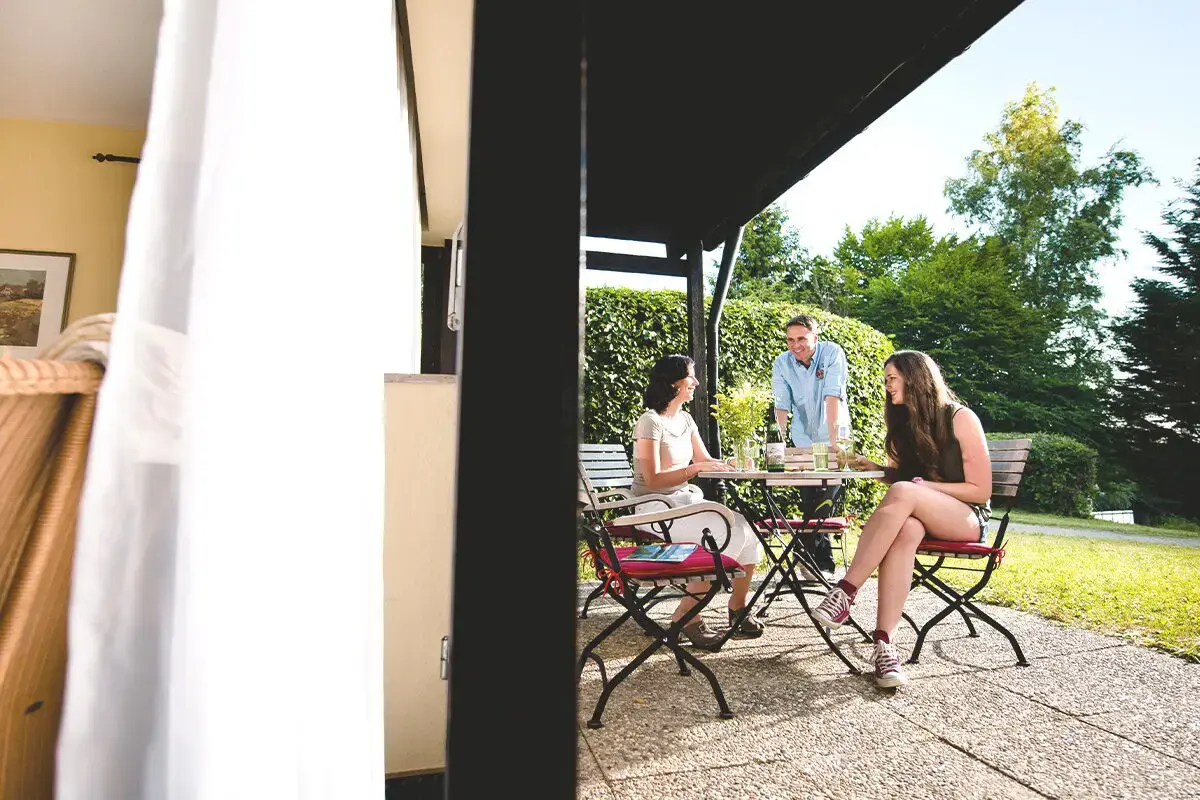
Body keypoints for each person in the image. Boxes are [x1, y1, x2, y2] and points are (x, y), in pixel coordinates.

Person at [810, 350, 993, 689]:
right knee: (905, 529)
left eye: (892, 378)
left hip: (967, 518)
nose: (888, 386)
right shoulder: (905, 423)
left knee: (907, 492)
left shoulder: (960, 418)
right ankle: (885, 647)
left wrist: (923, 486)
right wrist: (879, 470)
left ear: (916, 378)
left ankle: (846, 591)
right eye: (887, 380)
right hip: (923, 512)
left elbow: (981, 491)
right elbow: (906, 481)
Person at [630, 354, 766, 648]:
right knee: (722, 534)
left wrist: (730, 463)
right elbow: (652, 480)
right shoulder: (649, 423)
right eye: (691, 376)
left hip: (683, 503)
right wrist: (694, 470)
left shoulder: (686, 419)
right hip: (654, 508)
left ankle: (738, 607)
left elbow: (704, 461)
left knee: (747, 529)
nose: (696, 382)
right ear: (673, 383)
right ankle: (686, 618)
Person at [771, 314, 851, 578]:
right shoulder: (782, 363)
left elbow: (832, 395)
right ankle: (822, 565)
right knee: (810, 501)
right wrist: (778, 444)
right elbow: (781, 405)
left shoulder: (831, 353)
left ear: (815, 337)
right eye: (790, 340)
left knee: (825, 500)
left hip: (834, 435)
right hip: (803, 438)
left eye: (802, 339)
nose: (796, 345)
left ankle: (804, 560)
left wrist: (833, 443)